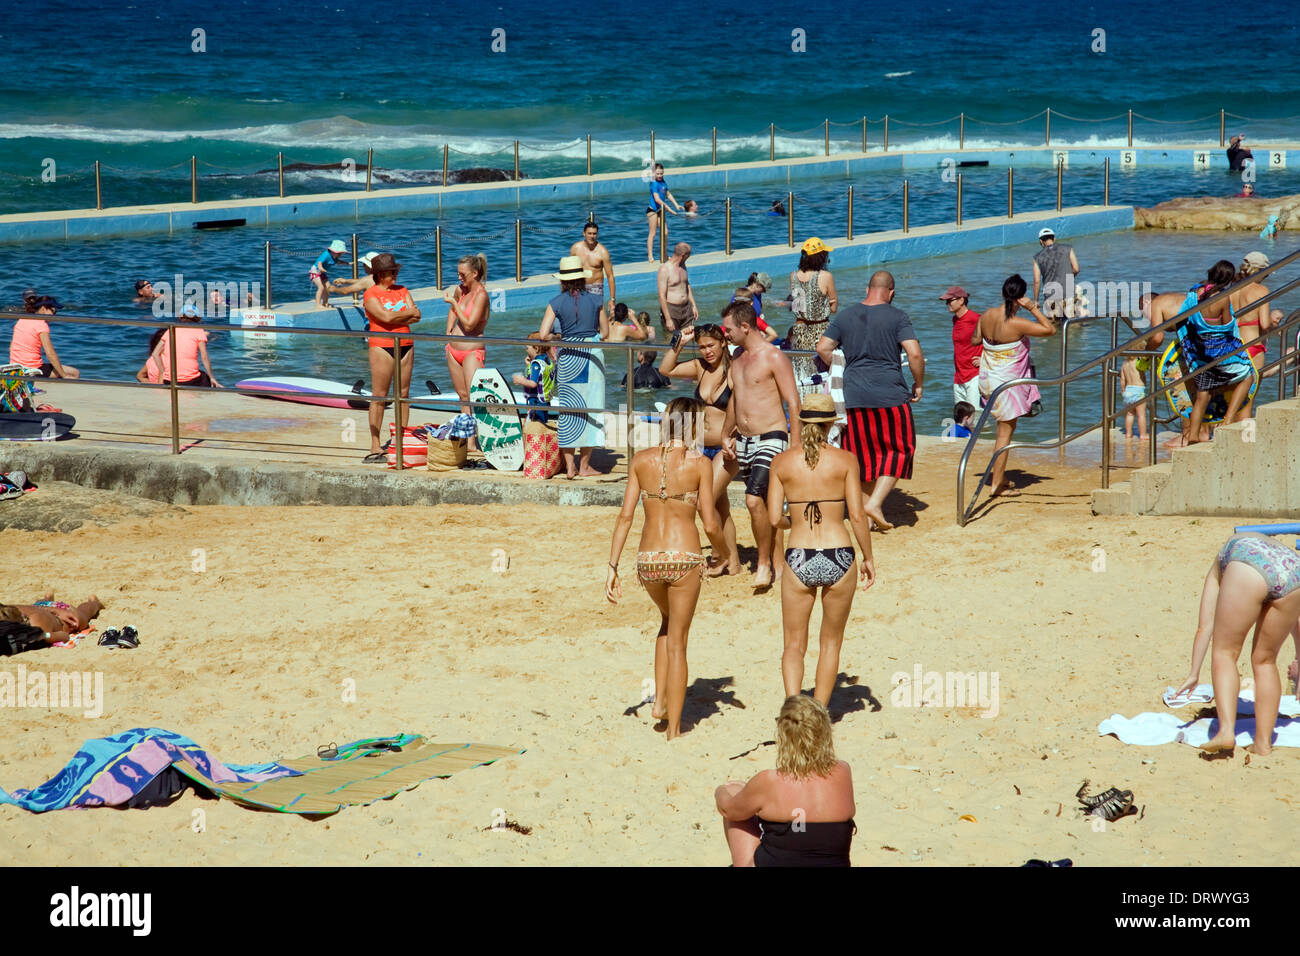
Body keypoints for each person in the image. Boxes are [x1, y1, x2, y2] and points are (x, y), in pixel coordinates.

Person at [606, 397, 726, 741]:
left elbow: (625, 516)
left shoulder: (641, 460)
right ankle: (674, 728)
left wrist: (612, 566)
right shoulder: (699, 464)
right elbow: (711, 523)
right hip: (684, 558)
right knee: (679, 642)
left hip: (648, 562)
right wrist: (723, 554)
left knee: (666, 622)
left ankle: (659, 703)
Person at [767, 393, 875, 705]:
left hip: (799, 556)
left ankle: (793, 709)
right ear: (831, 424)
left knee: (793, 645)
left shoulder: (781, 462)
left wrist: (795, 521)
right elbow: (856, 515)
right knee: (830, 643)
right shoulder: (845, 460)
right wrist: (868, 557)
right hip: (839, 554)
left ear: (800, 423)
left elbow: (774, 518)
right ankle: (820, 714)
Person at [1175, 533, 1300, 758]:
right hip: (1294, 569)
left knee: (1224, 653)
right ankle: (1262, 744)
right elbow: (1297, 627)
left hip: (1250, 567)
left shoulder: (1218, 566)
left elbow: (1205, 626)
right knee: (1265, 661)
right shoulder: (1254, 542)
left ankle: (1225, 732)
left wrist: (1194, 673)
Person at [816, 271, 923, 531]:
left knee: (861, 457)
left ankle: (865, 516)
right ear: (892, 292)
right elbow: (915, 354)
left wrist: (842, 365)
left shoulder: (845, 315)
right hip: (890, 395)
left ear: (867, 289)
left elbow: (823, 347)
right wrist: (918, 384)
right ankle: (874, 504)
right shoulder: (898, 316)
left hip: (852, 397)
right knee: (901, 449)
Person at [714, 695, 856, 867]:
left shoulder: (769, 780)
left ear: (783, 736)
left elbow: (728, 810)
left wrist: (721, 791)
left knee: (735, 792)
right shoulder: (843, 772)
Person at [721, 300, 801, 588]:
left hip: (772, 436)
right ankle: (779, 565)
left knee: (753, 499)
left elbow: (793, 401)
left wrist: (795, 446)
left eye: (728, 329)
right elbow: (736, 398)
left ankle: (764, 563)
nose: (725, 334)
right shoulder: (738, 357)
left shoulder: (773, 357)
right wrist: (725, 433)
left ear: (745, 326)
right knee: (767, 505)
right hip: (743, 440)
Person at [660, 324, 740, 576]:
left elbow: (743, 406)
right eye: (702, 347)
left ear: (723, 343)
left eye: (711, 346)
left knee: (702, 505)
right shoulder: (699, 368)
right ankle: (735, 563)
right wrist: (680, 342)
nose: (706, 351)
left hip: (725, 449)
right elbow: (666, 369)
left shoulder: (734, 370)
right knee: (720, 508)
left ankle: (720, 556)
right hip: (701, 448)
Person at [974, 274, 1056, 498]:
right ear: (1021, 297)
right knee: (1004, 434)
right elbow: (1050, 330)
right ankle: (996, 484)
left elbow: (975, 339)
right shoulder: (1017, 323)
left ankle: (1000, 478)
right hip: (1006, 385)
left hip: (989, 380)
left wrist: (994, 347)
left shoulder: (987, 315)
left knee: (1005, 430)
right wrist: (1032, 308)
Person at [539, 256, 610, 478]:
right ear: (582, 278)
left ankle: (570, 466)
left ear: (562, 280)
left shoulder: (556, 302)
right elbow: (606, 333)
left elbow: (542, 335)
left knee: (569, 410)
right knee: (591, 409)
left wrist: (559, 335)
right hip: (591, 354)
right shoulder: (596, 300)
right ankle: (585, 465)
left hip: (569, 355)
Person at [1179, 259, 1255, 445]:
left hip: (1199, 352)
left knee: (1203, 395)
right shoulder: (1222, 297)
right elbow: (1228, 325)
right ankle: (1227, 422)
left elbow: (1183, 318)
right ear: (1228, 280)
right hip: (1218, 351)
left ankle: (1193, 437)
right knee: (1247, 375)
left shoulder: (1194, 294)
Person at [361, 253, 421, 464]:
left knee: (403, 394)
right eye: (391, 272)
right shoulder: (371, 293)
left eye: (395, 271)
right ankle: (375, 443)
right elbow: (385, 317)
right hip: (382, 346)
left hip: (406, 344)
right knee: (380, 395)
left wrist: (398, 315)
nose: (395, 275)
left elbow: (417, 315)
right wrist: (404, 313)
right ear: (380, 274)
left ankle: (401, 437)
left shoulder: (402, 290)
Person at [1139, 290, 1210, 447]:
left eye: (1143, 312)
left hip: (1193, 345)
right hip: (1209, 341)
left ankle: (1187, 434)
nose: (1146, 318)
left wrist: (1146, 352)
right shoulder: (1177, 298)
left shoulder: (1157, 304)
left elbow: (1157, 338)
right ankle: (1203, 431)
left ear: (1146, 303)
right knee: (1202, 388)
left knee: (1185, 388)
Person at [444, 253, 491, 449]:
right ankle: (465, 437)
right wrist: (448, 333)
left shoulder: (481, 295)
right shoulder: (460, 290)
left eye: (462, 274)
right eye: (458, 273)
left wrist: (454, 303)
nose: (459, 277)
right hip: (453, 350)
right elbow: (453, 313)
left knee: (473, 395)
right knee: (462, 396)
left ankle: (473, 440)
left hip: (472, 351)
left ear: (475, 273)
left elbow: (471, 325)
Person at [787, 238, 839, 392]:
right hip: (820, 331)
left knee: (802, 376)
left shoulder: (793, 275)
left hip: (799, 330)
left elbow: (797, 303)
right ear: (821, 257)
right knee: (822, 378)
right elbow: (834, 308)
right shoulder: (825, 276)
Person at [149, 302, 220, 388]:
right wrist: (212, 377)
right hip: (191, 380)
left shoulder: (170, 331)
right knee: (206, 378)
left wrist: (163, 371)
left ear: (179, 317)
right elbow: (204, 357)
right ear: (198, 319)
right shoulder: (198, 331)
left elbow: (155, 354)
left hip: (169, 380)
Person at [9, 296, 79, 379]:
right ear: (43, 309)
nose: (54, 315)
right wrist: (64, 375)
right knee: (74, 373)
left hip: (14, 368)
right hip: (32, 370)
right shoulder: (41, 325)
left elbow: (11, 347)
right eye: (53, 311)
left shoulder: (22, 320)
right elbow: (50, 354)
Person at [1235, 252, 1274, 392]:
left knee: (1232, 397)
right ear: (1259, 271)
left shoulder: (1231, 289)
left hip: (1232, 348)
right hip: (1253, 346)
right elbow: (1264, 324)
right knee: (1248, 397)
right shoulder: (1262, 291)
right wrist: (1273, 320)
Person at [941, 285, 981, 407]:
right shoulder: (955, 319)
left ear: (961, 300)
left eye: (949, 300)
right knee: (962, 419)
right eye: (946, 301)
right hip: (958, 377)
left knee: (976, 418)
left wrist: (985, 359)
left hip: (975, 375)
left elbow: (996, 340)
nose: (947, 304)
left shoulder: (976, 319)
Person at [570, 221, 615, 320]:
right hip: (579, 286)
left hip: (596, 287)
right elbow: (570, 270)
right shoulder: (575, 248)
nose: (592, 236)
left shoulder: (603, 252)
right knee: (578, 316)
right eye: (589, 233)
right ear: (584, 234)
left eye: (594, 234)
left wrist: (612, 299)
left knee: (595, 317)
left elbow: (610, 276)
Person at [1032, 228, 1081, 318]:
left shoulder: (1037, 258)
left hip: (1051, 296)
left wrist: (1036, 300)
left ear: (1040, 242)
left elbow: (1036, 281)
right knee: (1072, 326)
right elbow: (1076, 269)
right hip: (1068, 293)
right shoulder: (1068, 249)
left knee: (1054, 328)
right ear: (1054, 239)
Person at [511, 332, 555, 424]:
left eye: (527, 348)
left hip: (536, 401)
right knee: (543, 421)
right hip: (545, 400)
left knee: (536, 423)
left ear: (537, 348)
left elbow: (533, 383)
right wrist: (528, 365)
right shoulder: (547, 360)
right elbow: (541, 375)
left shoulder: (536, 364)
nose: (526, 350)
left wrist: (521, 380)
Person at [645, 163, 683, 261]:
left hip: (661, 211)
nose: (660, 176)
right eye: (658, 174)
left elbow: (668, 194)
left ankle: (664, 254)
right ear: (653, 173)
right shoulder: (653, 184)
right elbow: (657, 199)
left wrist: (676, 205)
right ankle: (650, 255)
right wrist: (669, 209)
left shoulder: (663, 182)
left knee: (665, 232)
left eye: (661, 174)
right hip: (653, 210)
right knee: (652, 233)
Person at [657, 242, 698, 332]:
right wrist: (668, 319)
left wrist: (693, 305)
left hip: (686, 308)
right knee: (672, 339)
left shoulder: (683, 265)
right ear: (683, 255)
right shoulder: (665, 269)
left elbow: (687, 285)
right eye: (688, 256)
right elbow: (661, 295)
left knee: (689, 336)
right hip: (672, 310)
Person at [310, 239, 349, 307]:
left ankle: (325, 303)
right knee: (321, 287)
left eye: (341, 253)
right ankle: (318, 304)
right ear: (333, 251)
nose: (340, 255)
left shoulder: (334, 257)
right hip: (315, 272)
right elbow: (319, 263)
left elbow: (338, 262)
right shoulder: (326, 254)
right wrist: (321, 268)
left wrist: (347, 263)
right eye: (339, 253)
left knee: (328, 288)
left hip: (322, 273)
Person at [1119, 351, 1147, 440]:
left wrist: (1123, 390)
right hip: (1138, 390)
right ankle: (1143, 434)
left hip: (1128, 390)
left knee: (1130, 414)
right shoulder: (1138, 363)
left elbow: (1122, 380)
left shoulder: (1124, 365)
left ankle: (1128, 433)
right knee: (1141, 415)